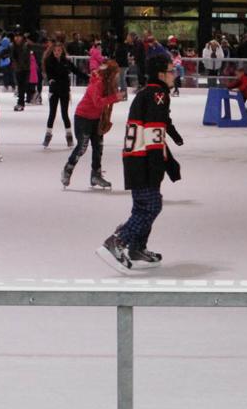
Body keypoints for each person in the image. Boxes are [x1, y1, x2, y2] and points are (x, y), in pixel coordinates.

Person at [97, 55, 183, 273]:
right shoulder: (158, 94)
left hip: (136, 157)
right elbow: (154, 132)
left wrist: (172, 141)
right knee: (152, 205)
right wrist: (159, 164)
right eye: (172, 70)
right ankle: (118, 241)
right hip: (143, 159)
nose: (175, 75)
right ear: (161, 74)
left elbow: (161, 124)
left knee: (142, 206)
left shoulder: (148, 93)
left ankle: (137, 247)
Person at [62, 60, 123, 190]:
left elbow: (105, 101)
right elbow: (98, 102)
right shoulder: (98, 83)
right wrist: (114, 98)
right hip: (83, 118)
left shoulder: (107, 84)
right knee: (82, 147)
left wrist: (114, 97)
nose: (117, 77)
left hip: (96, 119)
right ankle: (68, 169)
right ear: (109, 74)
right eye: (115, 74)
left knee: (98, 147)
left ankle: (96, 174)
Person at [43, 41, 89, 148]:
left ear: (62, 51)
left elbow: (76, 71)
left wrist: (89, 78)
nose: (57, 53)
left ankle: (69, 136)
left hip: (64, 91)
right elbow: (49, 75)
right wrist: (51, 80)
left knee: (65, 114)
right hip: (54, 91)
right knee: (52, 114)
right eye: (55, 51)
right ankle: (48, 135)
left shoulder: (66, 62)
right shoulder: (49, 61)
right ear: (53, 51)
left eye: (59, 51)